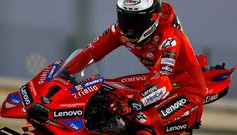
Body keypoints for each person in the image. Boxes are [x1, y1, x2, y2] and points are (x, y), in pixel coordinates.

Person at [66, 0, 206, 134]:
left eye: (136, 21)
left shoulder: (170, 37)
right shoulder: (120, 30)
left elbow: (164, 83)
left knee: (141, 120)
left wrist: (136, 102)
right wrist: (64, 72)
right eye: (125, 18)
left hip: (186, 90)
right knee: (102, 89)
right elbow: (90, 52)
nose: (129, 28)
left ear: (153, 17)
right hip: (158, 78)